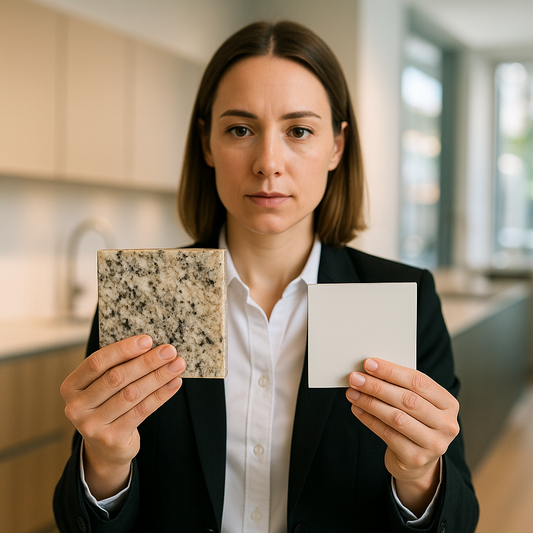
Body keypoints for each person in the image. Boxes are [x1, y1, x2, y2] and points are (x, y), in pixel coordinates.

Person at [54, 20, 479, 533]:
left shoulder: (405, 299)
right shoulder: (145, 295)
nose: (268, 163)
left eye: (299, 130)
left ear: (337, 148)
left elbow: (459, 518)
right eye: (240, 129)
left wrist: (420, 477)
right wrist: (103, 464)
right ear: (207, 143)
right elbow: (78, 517)